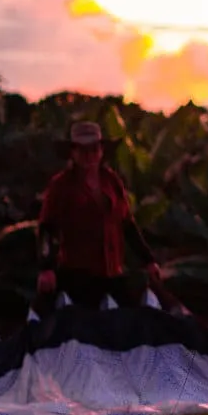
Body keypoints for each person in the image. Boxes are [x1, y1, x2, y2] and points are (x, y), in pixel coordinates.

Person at [38, 121, 142, 309]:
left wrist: (148, 260)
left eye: (94, 149)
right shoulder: (61, 185)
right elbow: (47, 228)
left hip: (113, 272)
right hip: (77, 275)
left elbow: (127, 223)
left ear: (102, 150)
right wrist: (46, 268)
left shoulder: (111, 181)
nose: (89, 155)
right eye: (83, 150)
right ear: (73, 152)